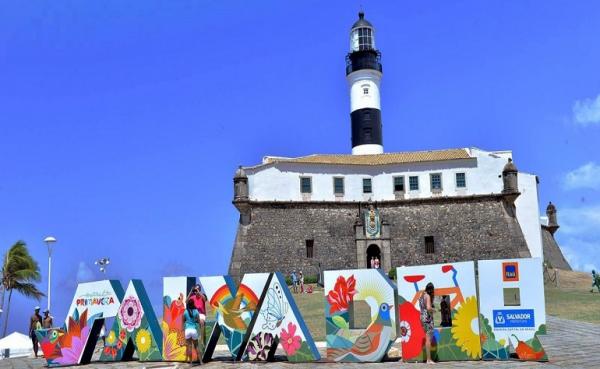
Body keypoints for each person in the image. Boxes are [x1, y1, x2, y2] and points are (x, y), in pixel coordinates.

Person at [187, 284, 207, 357]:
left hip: (201, 314)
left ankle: (201, 340)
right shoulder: (192, 297)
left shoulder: (202, 296)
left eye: (197, 290)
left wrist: (199, 292)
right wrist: (190, 292)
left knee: (201, 322)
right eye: (195, 291)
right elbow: (186, 301)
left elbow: (204, 300)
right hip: (195, 314)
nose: (196, 292)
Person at [419, 283, 435, 364]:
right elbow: (428, 308)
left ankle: (428, 359)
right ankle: (429, 359)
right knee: (428, 339)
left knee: (427, 338)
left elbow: (423, 307)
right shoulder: (427, 296)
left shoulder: (421, 296)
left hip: (422, 318)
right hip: (427, 318)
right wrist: (433, 310)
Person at [184, 299, 202, 364]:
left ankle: (191, 363)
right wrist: (200, 328)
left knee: (189, 347)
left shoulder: (185, 312)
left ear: (188, 304)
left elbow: (183, 320)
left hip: (187, 330)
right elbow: (199, 321)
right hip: (194, 330)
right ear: (193, 304)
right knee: (196, 346)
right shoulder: (196, 311)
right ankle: (201, 362)